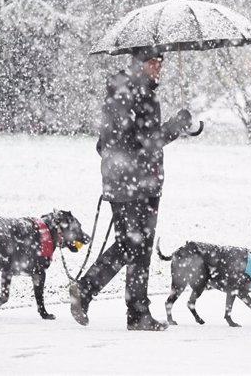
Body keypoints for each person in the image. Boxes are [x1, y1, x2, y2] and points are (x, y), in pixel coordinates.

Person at [70, 47, 194, 331]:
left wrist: (117, 166)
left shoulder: (121, 92)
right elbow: (148, 142)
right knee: (135, 246)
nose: (157, 67)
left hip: (133, 182)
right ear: (138, 63)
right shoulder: (137, 95)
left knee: (136, 247)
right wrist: (177, 124)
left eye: (160, 62)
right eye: (152, 62)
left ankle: (131, 311)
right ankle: (107, 298)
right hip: (136, 183)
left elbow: (103, 144)